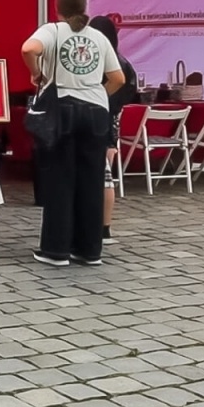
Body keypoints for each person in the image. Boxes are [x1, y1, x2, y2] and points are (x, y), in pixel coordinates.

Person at [22, 0, 125, 267]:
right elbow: (117, 78)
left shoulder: (53, 30)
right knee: (91, 181)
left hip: (64, 109)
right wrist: (98, 94)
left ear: (58, 8)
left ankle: (55, 250)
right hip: (96, 112)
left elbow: (28, 48)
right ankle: (89, 250)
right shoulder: (99, 37)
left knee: (60, 179)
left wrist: (36, 72)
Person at [88, 15, 139, 243]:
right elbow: (130, 93)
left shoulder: (98, 62)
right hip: (112, 122)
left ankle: (97, 225)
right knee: (105, 177)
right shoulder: (124, 63)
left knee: (99, 177)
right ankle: (104, 227)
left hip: (97, 121)